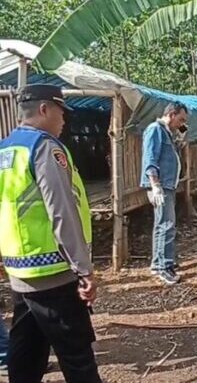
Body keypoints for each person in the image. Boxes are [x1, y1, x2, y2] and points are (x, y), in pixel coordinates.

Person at [0, 84, 101, 382]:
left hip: (20, 269)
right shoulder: (44, 147)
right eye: (61, 112)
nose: (65, 120)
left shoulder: (6, 149)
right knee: (77, 356)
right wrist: (83, 268)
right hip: (53, 269)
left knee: (26, 354)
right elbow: (62, 211)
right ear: (44, 109)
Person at [140, 102, 189, 285]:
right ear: (171, 114)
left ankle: (159, 262)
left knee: (164, 223)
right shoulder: (155, 130)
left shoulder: (167, 132)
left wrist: (180, 139)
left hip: (168, 184)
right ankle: (163, 267)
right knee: (166, 225)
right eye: (181, 119)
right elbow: (150, 158)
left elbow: (170, 156)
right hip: (161, 185)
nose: (181, 123)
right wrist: (155, 185)